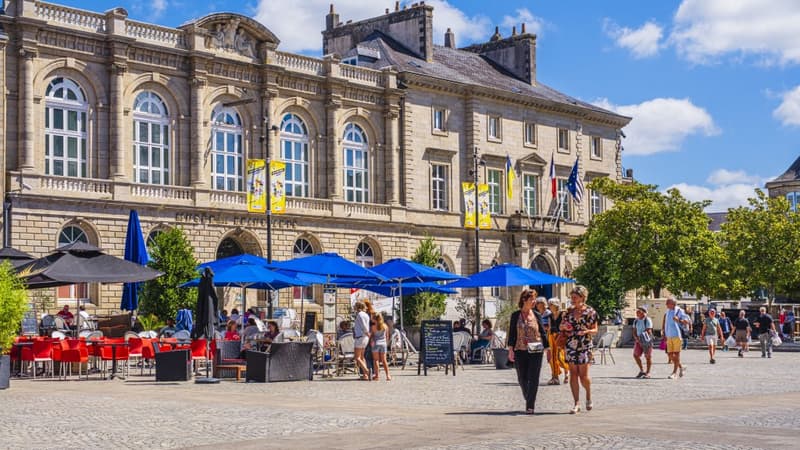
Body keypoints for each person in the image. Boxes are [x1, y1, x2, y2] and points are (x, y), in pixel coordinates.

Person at [506, 289, 548, 415]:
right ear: (524, 300)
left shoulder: (537, 315)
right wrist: (510, 350)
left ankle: (530, 405)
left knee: (534, 377)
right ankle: (528, 396)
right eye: (531, 299)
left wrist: (548, 349)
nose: (534, 302)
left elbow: (542, 332)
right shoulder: (515, 315)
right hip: (520, 348)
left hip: (536, 348)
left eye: (534, 299)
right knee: (522, 377)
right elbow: (512, 333)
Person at [560, 285, 598, 414]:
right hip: (571, 344)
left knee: (583, 376)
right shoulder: (568, 312)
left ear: (582, 297)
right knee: (573, 374)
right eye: (571, 297)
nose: (572, 299)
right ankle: (576, 403)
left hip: (584, 345)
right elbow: (561, 326)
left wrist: (587, 331)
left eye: (575, 297)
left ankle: (588, 395)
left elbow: (595, 329)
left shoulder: (590, 312)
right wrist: (564, 327)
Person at [661, 297, 690, 379]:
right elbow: (665, 321)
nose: (666, 304)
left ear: (673, 304)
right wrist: (663, 331)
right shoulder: (667, 311)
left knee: (676, 355)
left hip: (677, 335)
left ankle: (674, 373)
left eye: (667, 303)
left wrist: (679, 320)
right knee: (669, 354)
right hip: (669, 335)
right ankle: (681, 366)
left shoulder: (679, 311)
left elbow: (687, 321)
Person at [546, 299, 569, 385]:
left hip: (560, 337)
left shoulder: (563, 314)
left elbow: (565, 325)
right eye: (549, 304)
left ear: (555, 305)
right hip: (552, 337)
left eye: (551, 304)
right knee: (553, 358)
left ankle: (567, 372)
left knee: (560, 356)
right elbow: (549, 328)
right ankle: (555, 377)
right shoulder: (550, 316)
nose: (549, 306)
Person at [633, 306, 654, 379]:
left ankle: (648, 372)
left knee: (648, 357)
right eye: (636, 311)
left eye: (638, 311)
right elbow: (634, 331)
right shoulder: (636, 321)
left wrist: (641, 337)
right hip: (638, 341)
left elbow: (649, 330)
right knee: (635, 355)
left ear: (643, 312)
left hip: (646, 341)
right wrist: (636, 338)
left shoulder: (647, 320)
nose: (637, 313)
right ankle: (642, 370)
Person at [353, 301, 371, 380]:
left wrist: (367, 333)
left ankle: (367, 371)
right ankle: (365, 375)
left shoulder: (359, 314)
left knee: (357, 357)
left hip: (360, 337)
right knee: (362, 356)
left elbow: (364, 326)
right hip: (365, 338)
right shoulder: (366, 315)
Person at [370, 314, 391, 381]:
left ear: (375, 319)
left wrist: (371, 341)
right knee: (384, 360)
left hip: (376, 344)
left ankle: (377, 376)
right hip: (383, 344)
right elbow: (387, 337)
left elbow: (372, 336)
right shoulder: (385, 326)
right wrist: (386, 344)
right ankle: (388, 375)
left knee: (376, 360)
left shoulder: (373, 326)